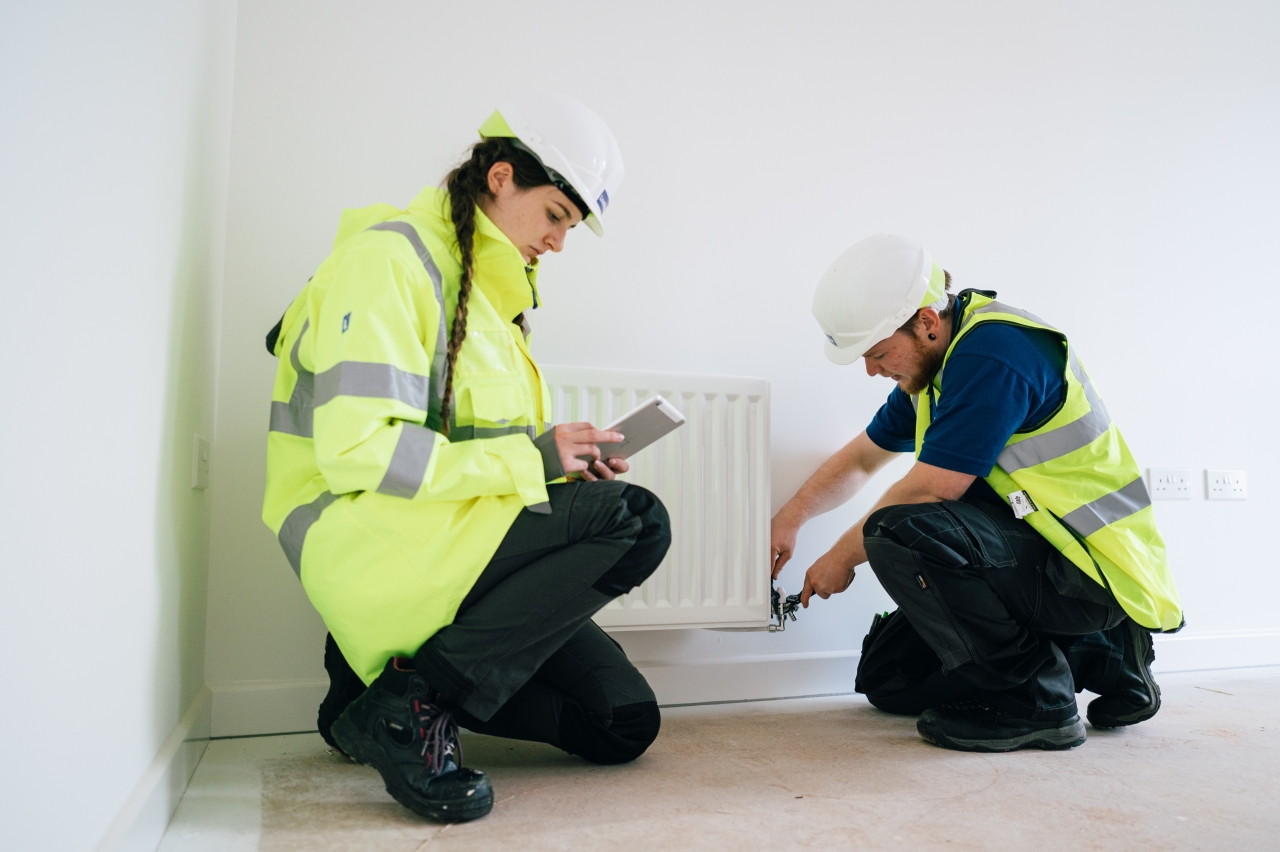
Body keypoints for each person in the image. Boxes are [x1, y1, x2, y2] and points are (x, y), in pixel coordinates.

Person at [262, 95, 670, 822]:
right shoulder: (389, 262)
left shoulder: (494, 303)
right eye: (554, 216)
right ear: (503, 177)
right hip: (376, 540)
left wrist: (553, 464)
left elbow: (481, 452)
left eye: (570, 228)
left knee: (622, 723)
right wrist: (533, 459)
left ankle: (373, 690)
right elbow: (359, 452)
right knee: (634, 521)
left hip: (460, 542)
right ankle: (412, 705)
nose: (558, 243)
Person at [770, 234, 1182, 753]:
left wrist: (839, 559)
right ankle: (1104, 656)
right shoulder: (931, 374)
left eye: (877, 354)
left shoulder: (996, 354)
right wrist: (789, 519)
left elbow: (929, 489)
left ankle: (1037, 702)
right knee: (890, 679)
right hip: (1036, 561)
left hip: (1088, 569)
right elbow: (861, 458)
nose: (873, 370)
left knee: (896, 529)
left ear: (926, 321)